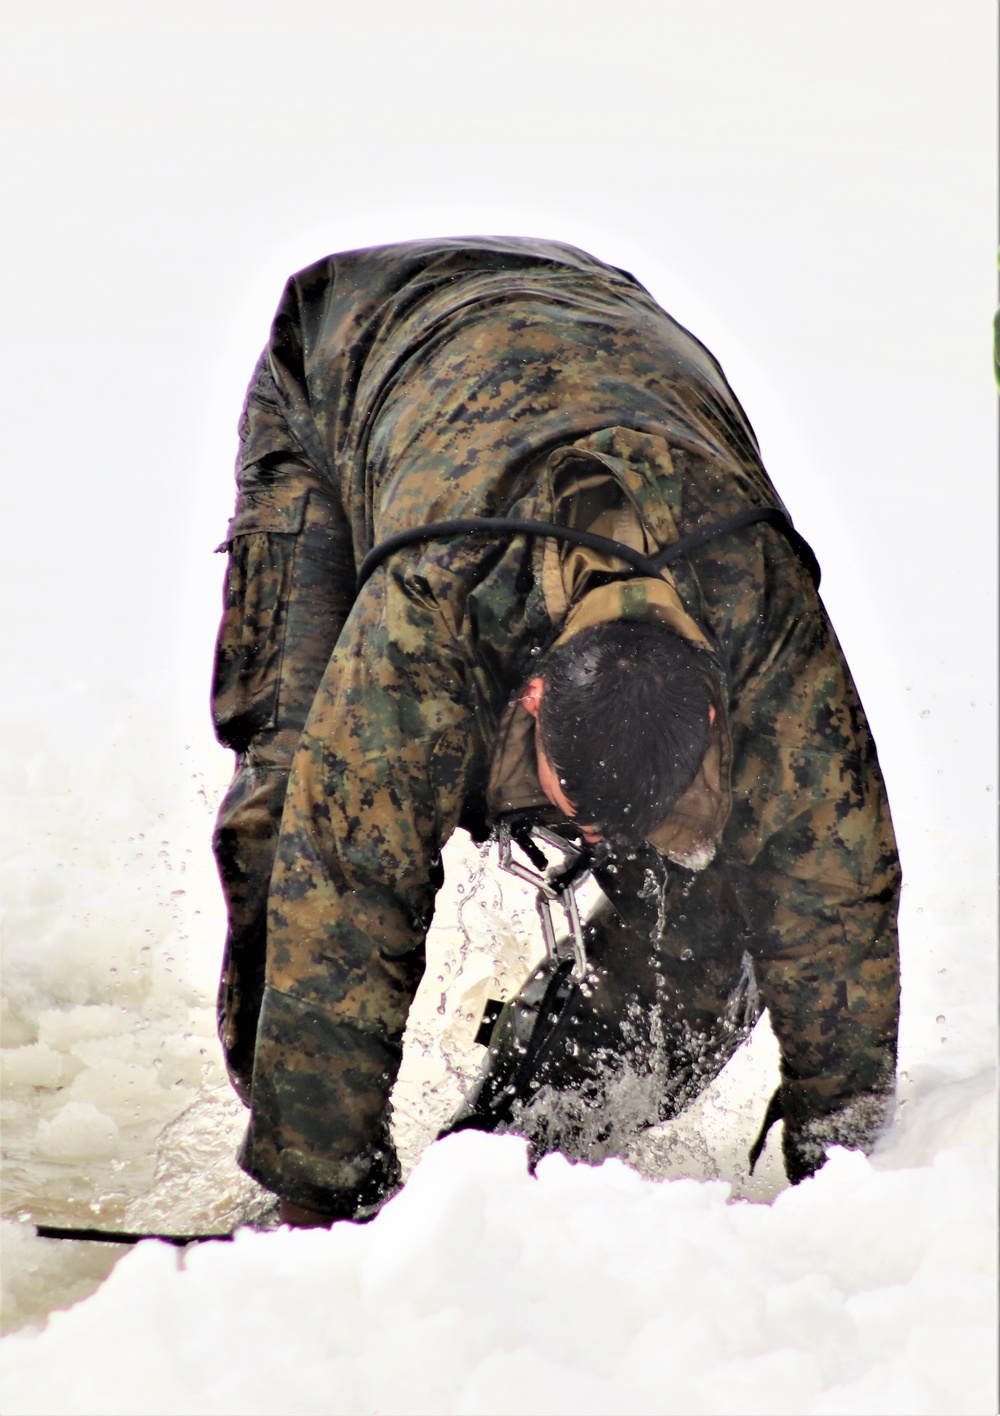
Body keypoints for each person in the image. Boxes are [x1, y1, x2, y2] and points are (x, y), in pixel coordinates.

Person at [210, 237, 900, 1227]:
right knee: (291, 807)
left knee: (714, 898)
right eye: (565, 815)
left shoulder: (765, 619)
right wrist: (326, 1202)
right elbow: (344, 886)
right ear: (527, 697)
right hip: (350, 359)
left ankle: (532, 1147)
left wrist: (847, 1178)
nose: (579, 850)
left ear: (715, 715)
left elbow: (831, 894)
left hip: (603, 319)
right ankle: (315, 1169)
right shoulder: (431, 610)